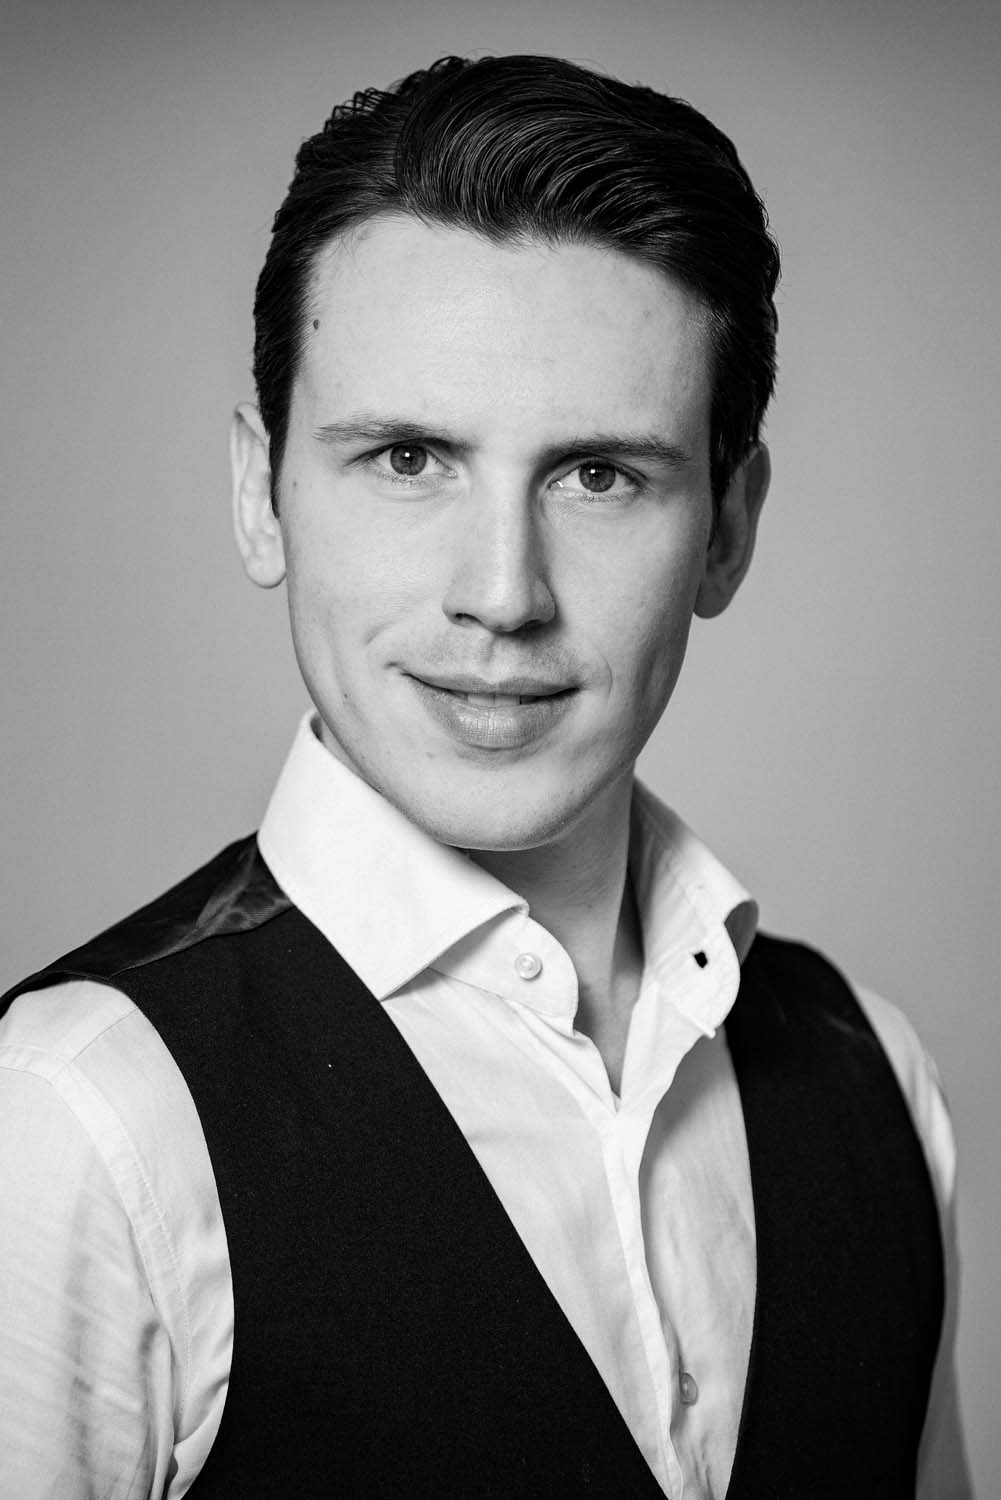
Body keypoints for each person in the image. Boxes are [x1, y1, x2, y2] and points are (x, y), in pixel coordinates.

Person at [0, 52, 972, 1500]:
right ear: (261, 493)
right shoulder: (74, 1126)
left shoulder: (873, 1076)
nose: (503, 595)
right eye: (408, 458)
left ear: (725, 529)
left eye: (600, 476)